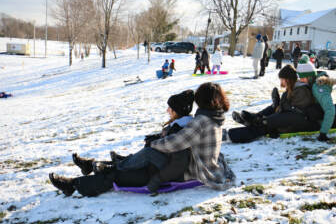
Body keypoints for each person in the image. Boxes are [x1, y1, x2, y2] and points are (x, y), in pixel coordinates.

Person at [49, 83, 236, 197]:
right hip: (184, 166)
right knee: (133, 163)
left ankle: (74, 185)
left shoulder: (201, 122)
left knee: (117, 175)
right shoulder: (214, 118)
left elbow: (175, 145)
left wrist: (154, 148)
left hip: (186, 171)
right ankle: (92, 167)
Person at [228, 65, 318, 143]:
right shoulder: (294, 87)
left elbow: (296, 110)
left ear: (288, 79)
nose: (281, 82)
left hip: (297, 122)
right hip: (290, 118)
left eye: (282, 79)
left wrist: (279, 106)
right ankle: (254, 118)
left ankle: (237, 132)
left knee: (264, 126)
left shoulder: (302, 90)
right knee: (271, 111)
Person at [296, 55, 336, 141]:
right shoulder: (313, 79)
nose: (301, 80)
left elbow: (330, 110)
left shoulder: (318, 87)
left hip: (319, 118)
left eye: (302, 77)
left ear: (309, 76)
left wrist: (323, 133)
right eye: (300, 77)